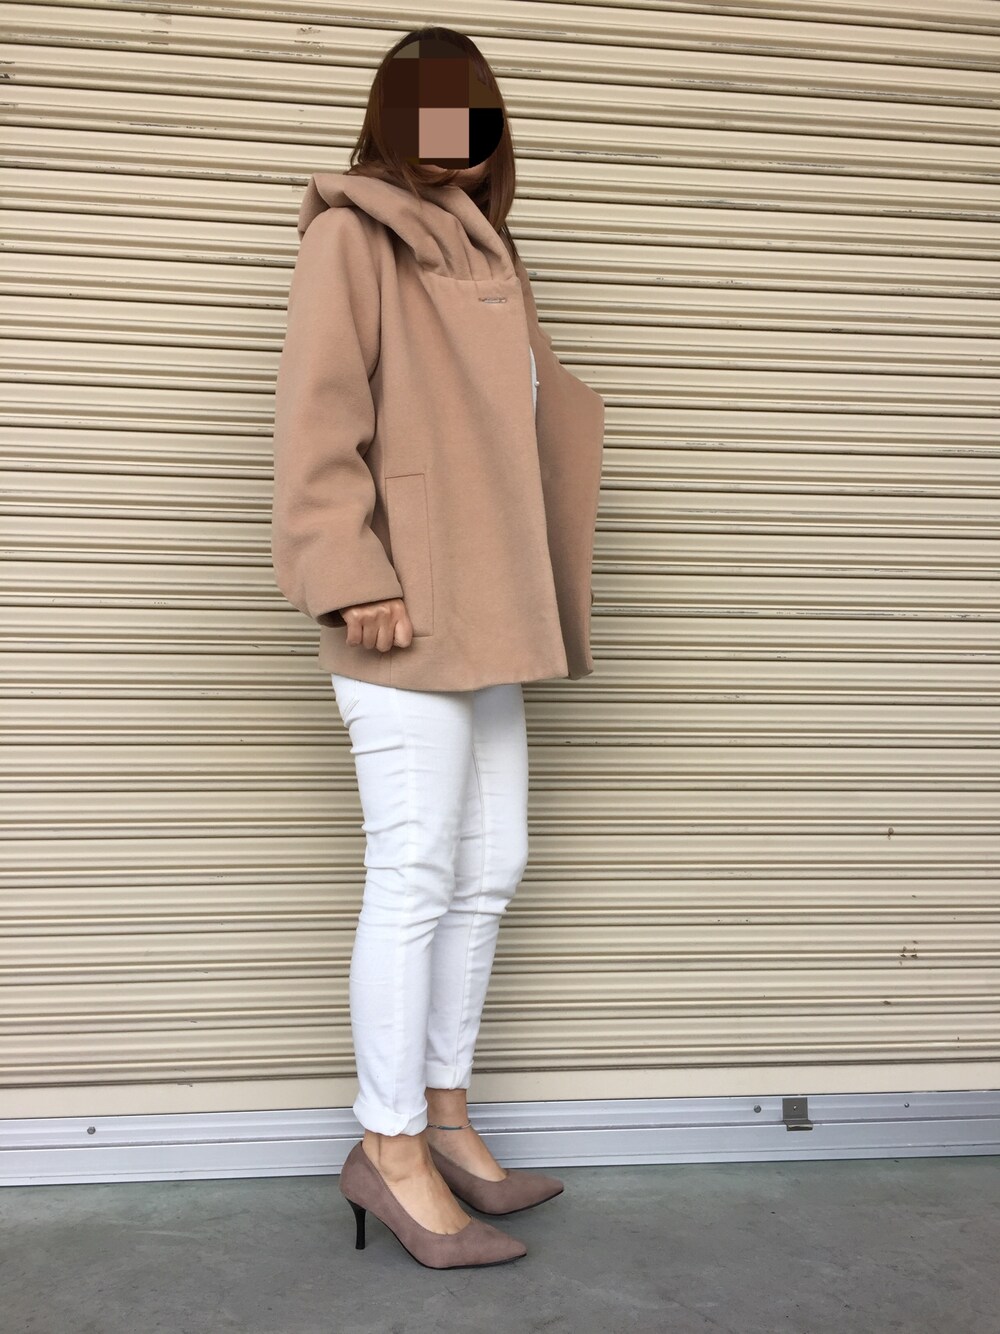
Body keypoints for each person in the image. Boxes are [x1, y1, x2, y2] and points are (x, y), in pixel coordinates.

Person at [271, 26, 605, 1270]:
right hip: (402, 602)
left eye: (471, 110)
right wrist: (349, 567)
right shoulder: (351, 236)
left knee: (490, 861)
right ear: (391, 117)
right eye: (430, 108)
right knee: (413, 870)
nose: (452, 131)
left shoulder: (490, 249)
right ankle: (389, 1141)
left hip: (491, 597)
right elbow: (317, 412)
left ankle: (449, 1115)